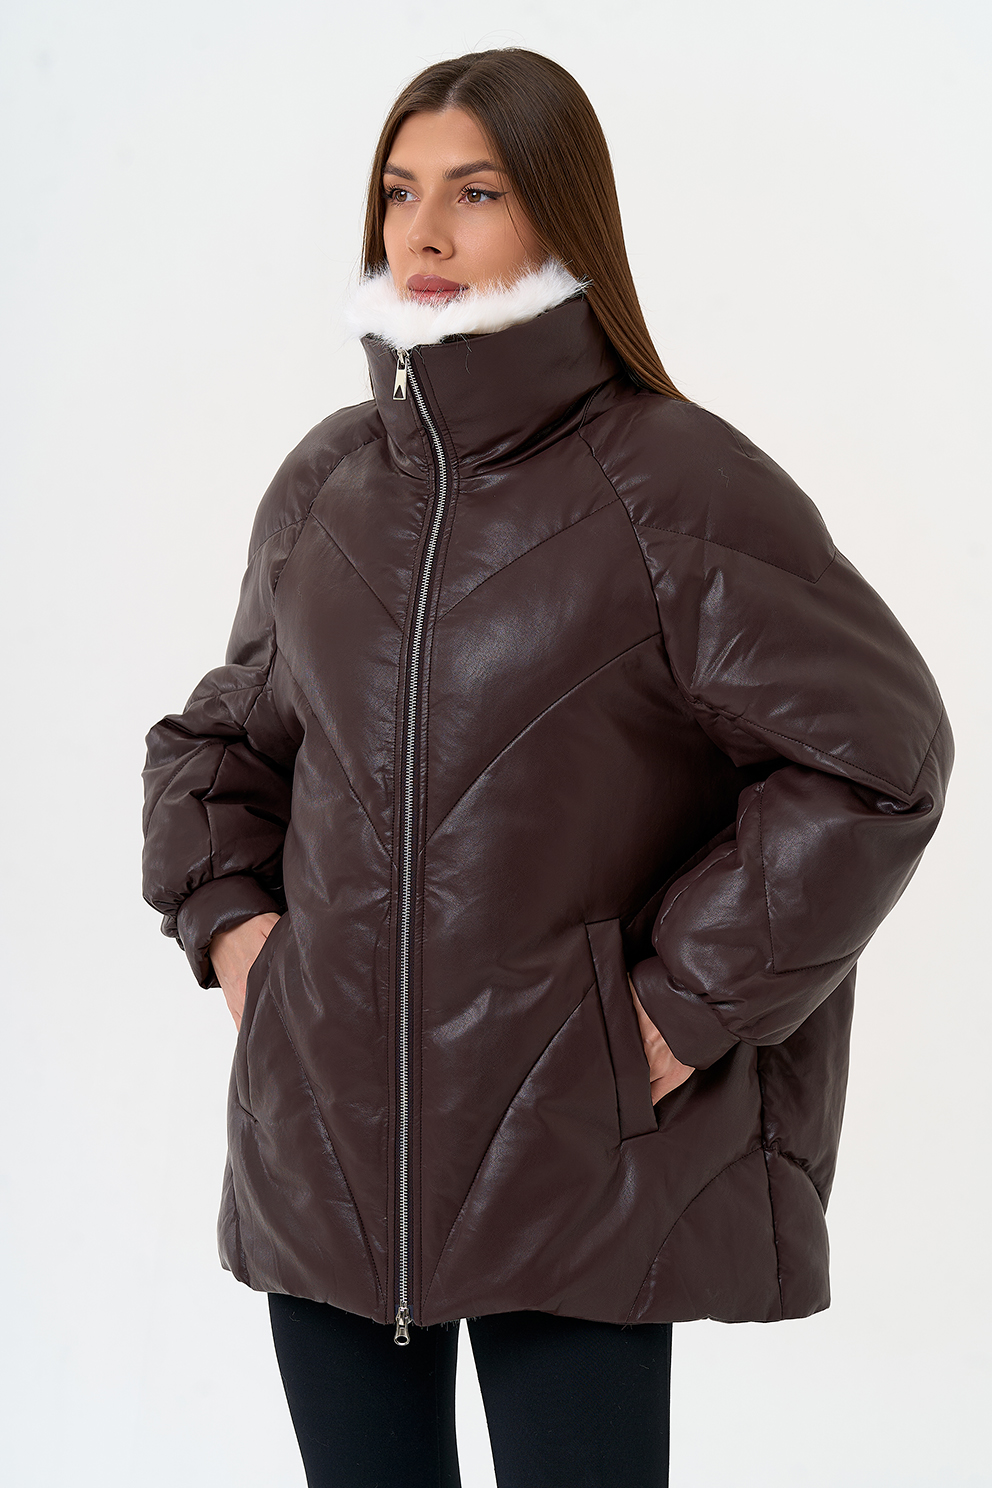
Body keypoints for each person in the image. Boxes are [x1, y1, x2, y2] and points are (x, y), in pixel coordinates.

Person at [141, 47, 953, 1488]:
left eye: (478, 192)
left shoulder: (673, 482)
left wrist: (679, 1007)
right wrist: (238, 937)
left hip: (572, 1161)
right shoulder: (329, 483)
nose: (426, 232)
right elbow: (224, 747)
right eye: (399, 192)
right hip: (323, 1156)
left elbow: (877, 757)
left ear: (561, 216)